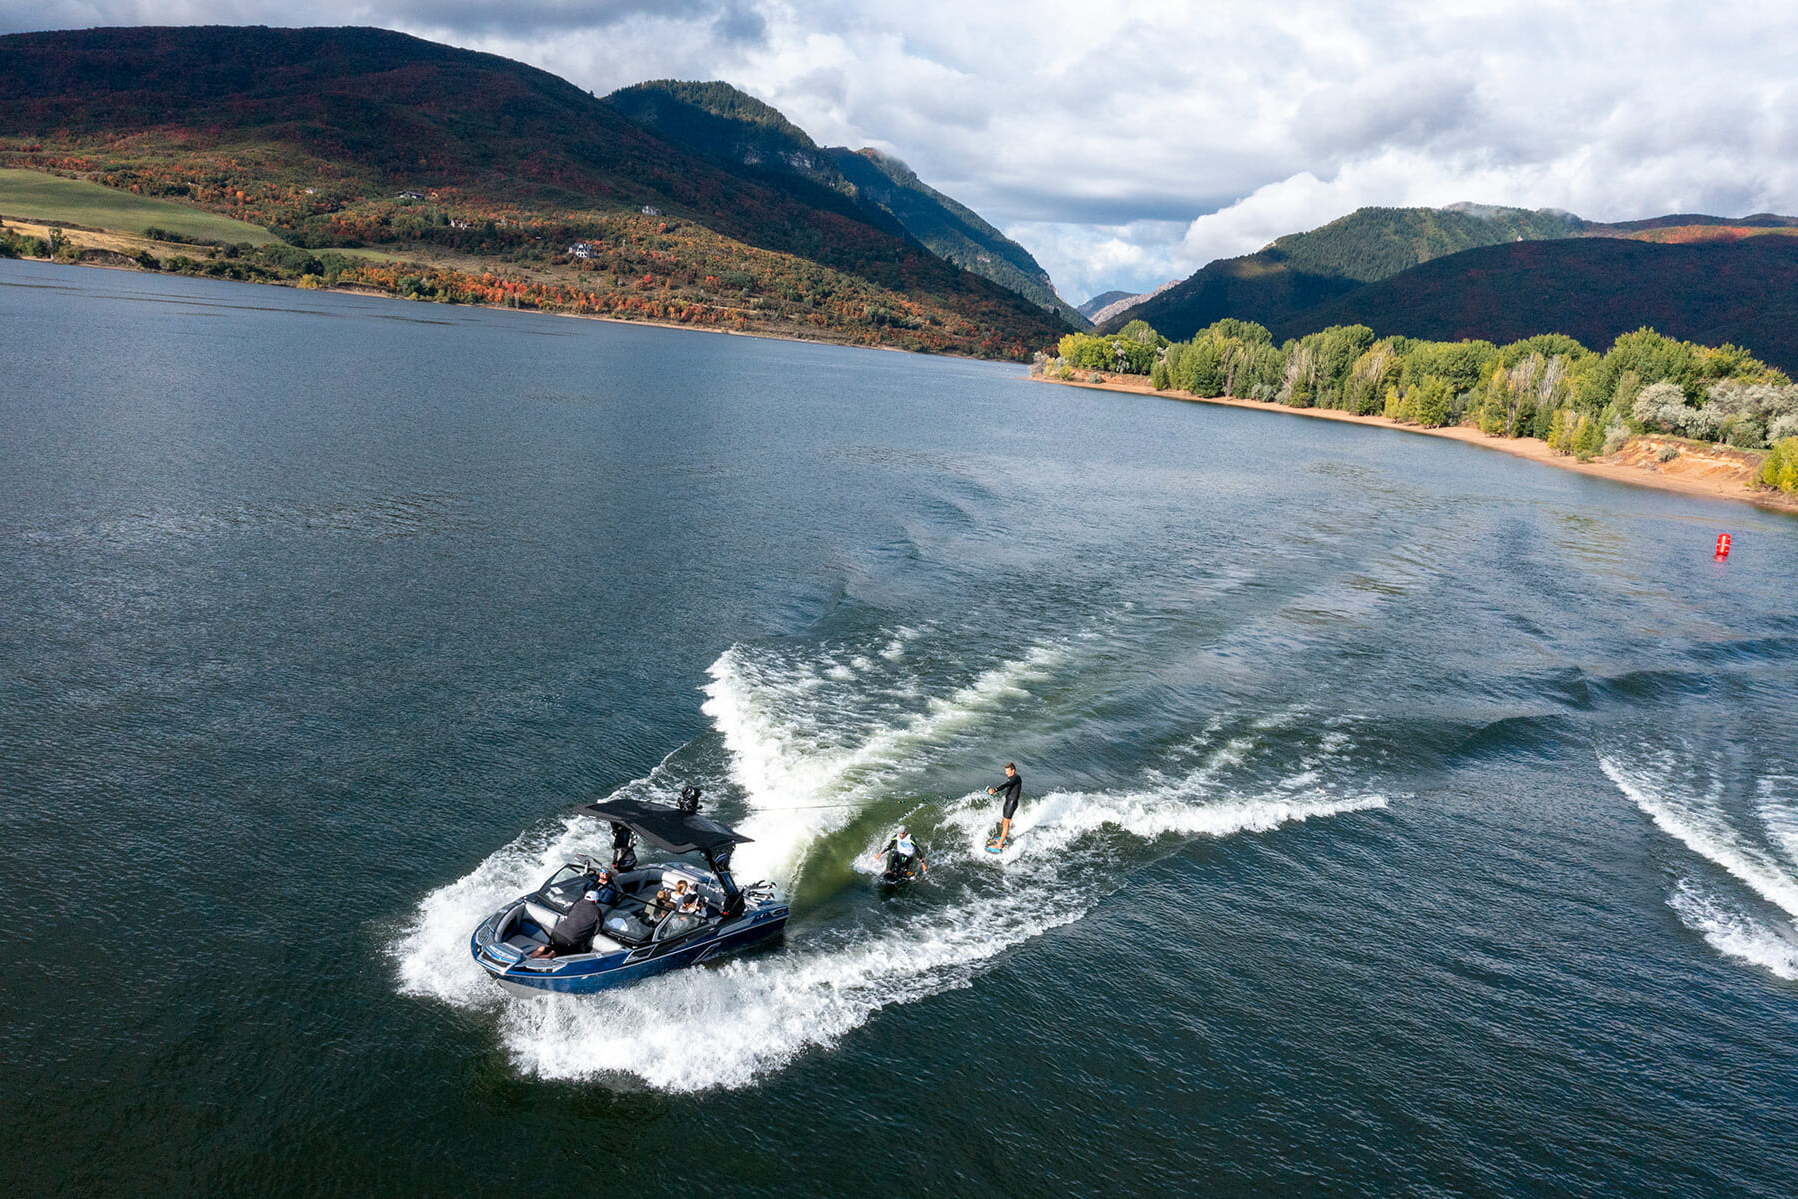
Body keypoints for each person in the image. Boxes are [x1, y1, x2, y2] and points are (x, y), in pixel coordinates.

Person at [530, 887, 604, 958]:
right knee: (570, 952)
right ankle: (550, 955)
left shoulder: (577, 904)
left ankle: (543, 950)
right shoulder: (597, 912)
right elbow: (596, 931)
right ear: (595, 901)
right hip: (570, 939)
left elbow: (569, 915)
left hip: (556, 932)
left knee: (558, 947)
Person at [987, 762, 1023, 850]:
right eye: (1005, 771)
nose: (1006, 773)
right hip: (1008, 802)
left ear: (1013, 770)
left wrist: (995, 790)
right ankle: (1002, 839)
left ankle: (999, 845)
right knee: (1004, 821)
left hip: (1012, 803)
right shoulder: (1011, 778)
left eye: (1007, 771)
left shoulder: (1016, 778)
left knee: (1006, 823)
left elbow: (1006, 785)